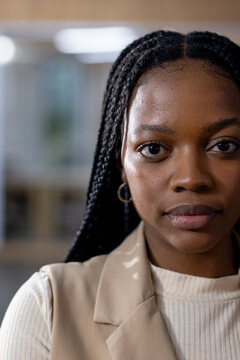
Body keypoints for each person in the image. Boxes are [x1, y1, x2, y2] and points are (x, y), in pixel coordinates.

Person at [0, 29, 240, 360]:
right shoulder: (48, 310)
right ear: (121, 164)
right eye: (154, 148)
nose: (191, 178)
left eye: (224, 146)